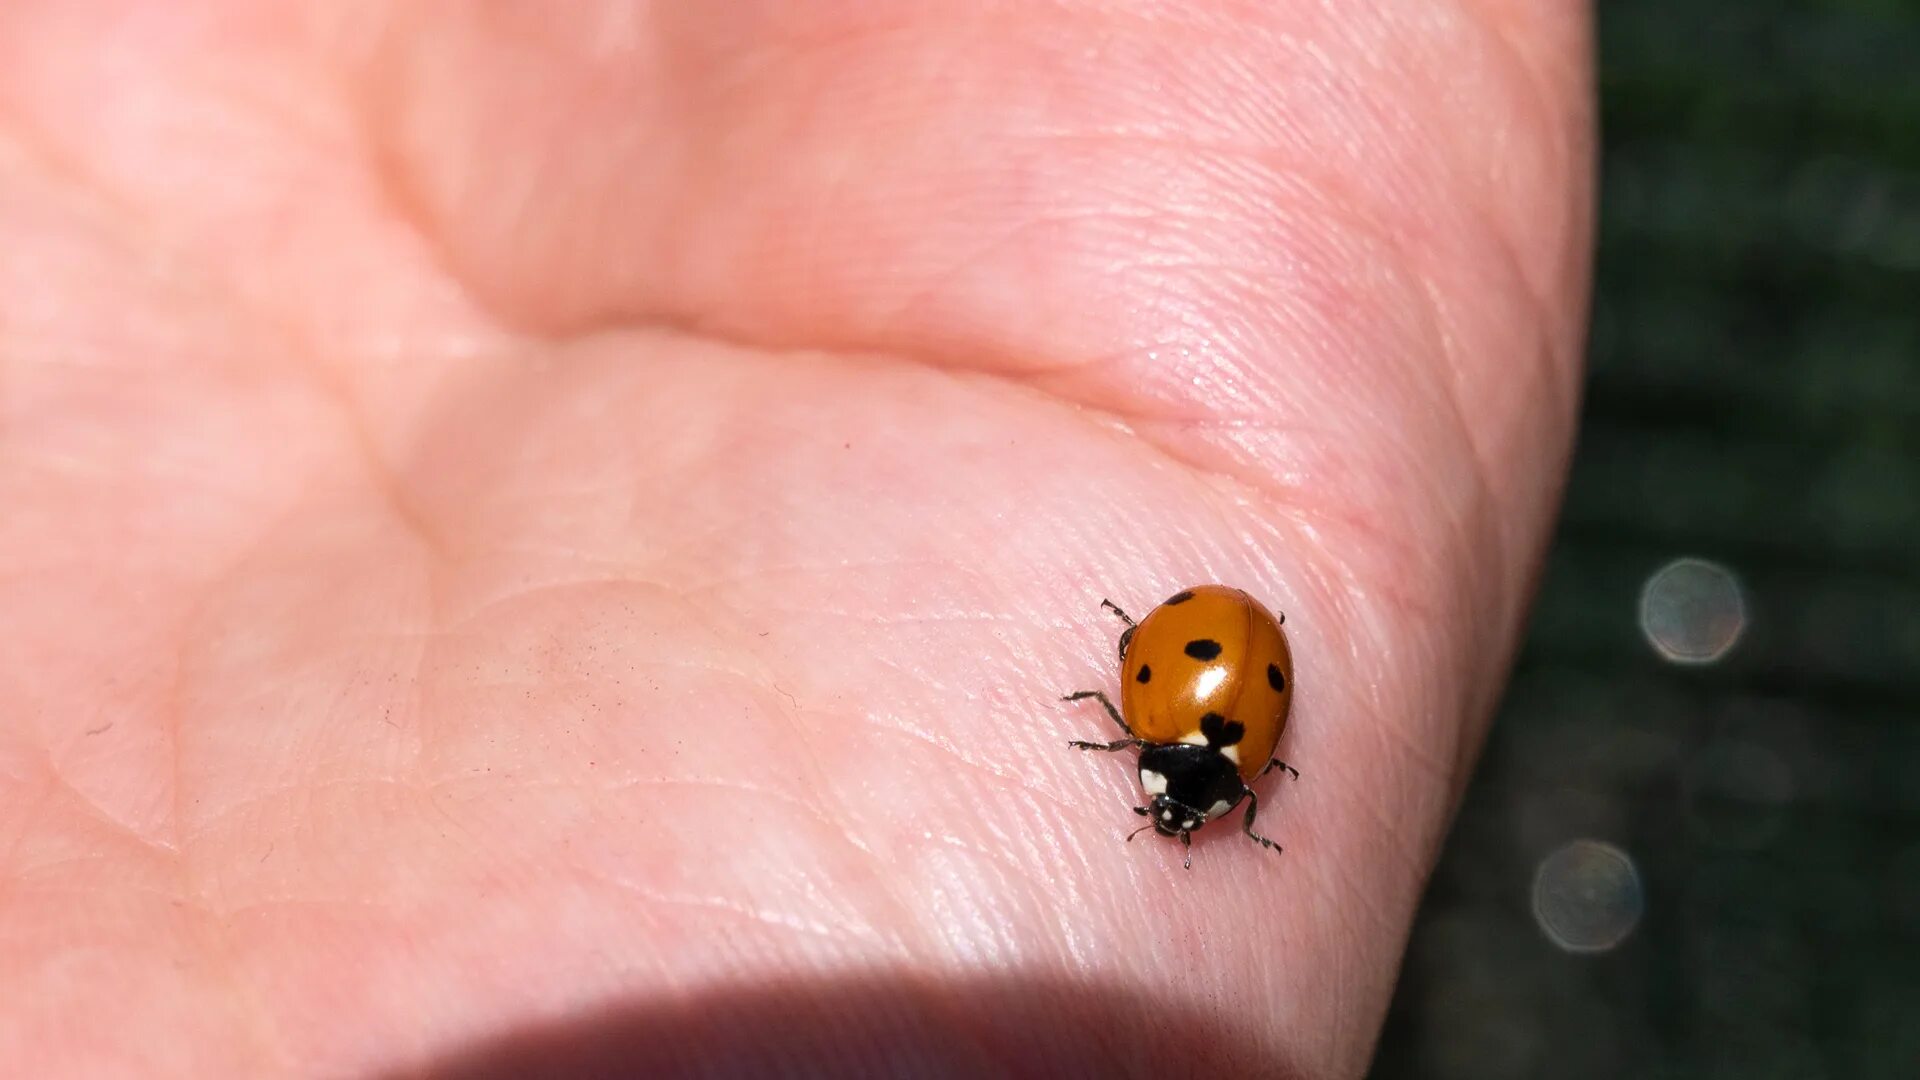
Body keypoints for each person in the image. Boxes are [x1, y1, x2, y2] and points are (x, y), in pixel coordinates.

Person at [0, 4, 1593, 1076]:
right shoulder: (1208, 730)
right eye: (1177, 788)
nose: (1166, 789)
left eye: (1179, 784)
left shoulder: (1192, 725)